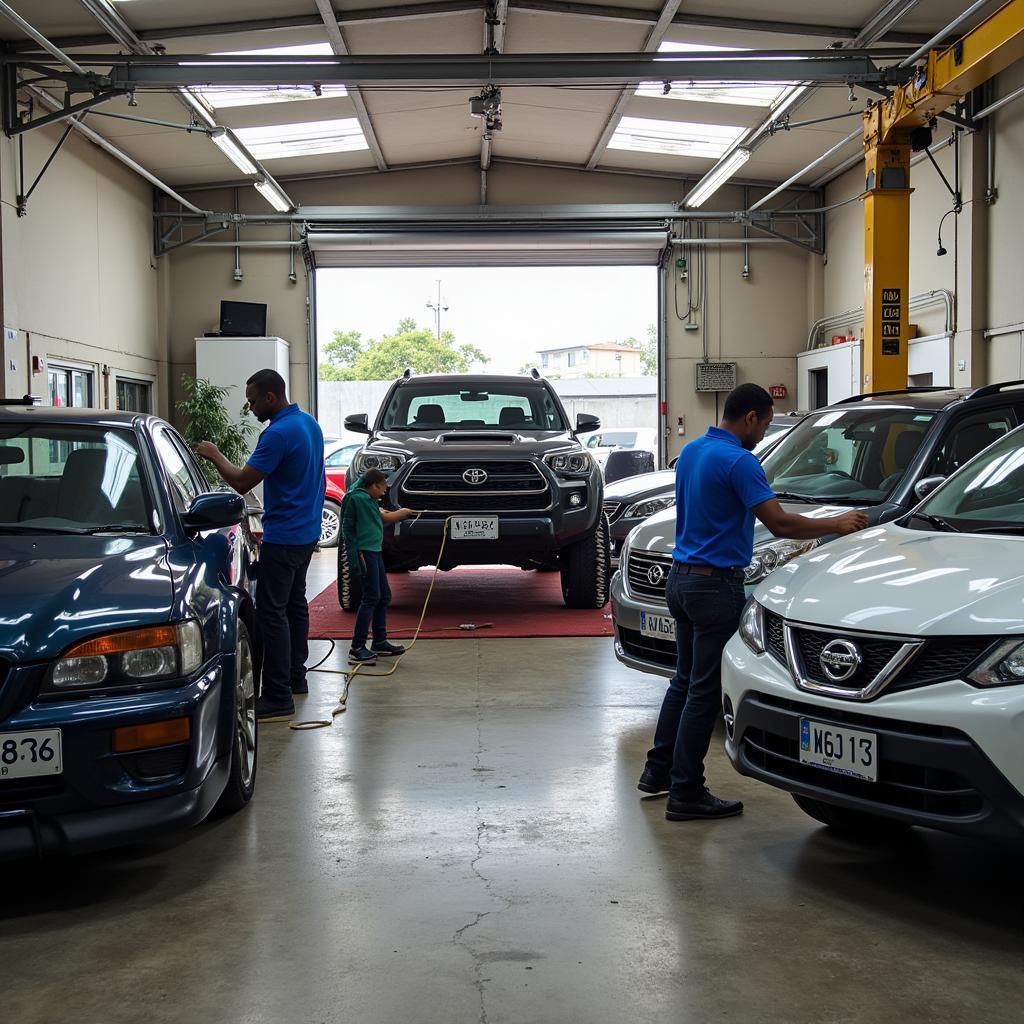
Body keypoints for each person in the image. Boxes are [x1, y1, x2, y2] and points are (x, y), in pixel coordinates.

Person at [640, 383, 868, 822]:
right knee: (703, 692)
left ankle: (658, 772)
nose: (764, 433)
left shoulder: (692, 452)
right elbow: (779, 524)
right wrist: (836, 523)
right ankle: (686, 792)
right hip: (714, 587)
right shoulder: (740, 461)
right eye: (764, 423)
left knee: (683, 682)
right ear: (750, 418)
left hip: (681, 580)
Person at [197, 369, 325, 723]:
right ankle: (297, 678)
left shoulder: (278, 434)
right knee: (295, 606)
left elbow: (241, 481)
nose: (250, 407)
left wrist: (214, 454)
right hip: (306, 533)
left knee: (272, 614)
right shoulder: (308, 424)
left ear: (271, 397)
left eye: (253, 400)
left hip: (283, 538)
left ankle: (278, 695)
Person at [341, 469, 413, 664]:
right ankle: (357, 646)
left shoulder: (366, 499)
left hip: (374, 551)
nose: (383, 493)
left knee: (384, 596)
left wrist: (386, 511)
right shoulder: (361, 500)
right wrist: (404, 513)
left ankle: (379, 641)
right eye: (382, 489)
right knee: (371, 597)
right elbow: (386, 518)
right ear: (374, 485)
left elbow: (380, 512)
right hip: (366, 552)